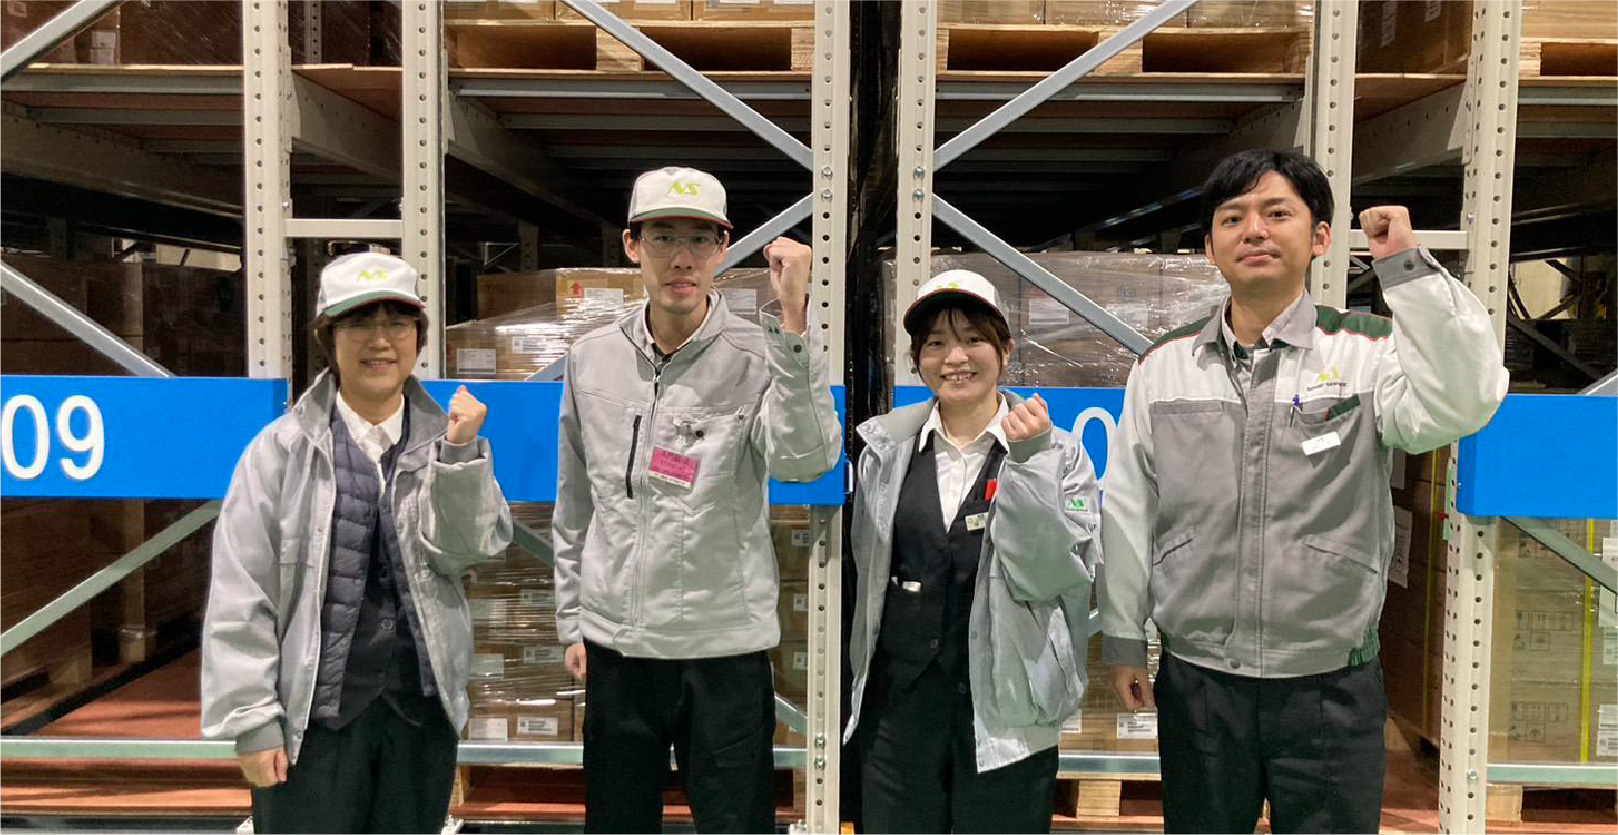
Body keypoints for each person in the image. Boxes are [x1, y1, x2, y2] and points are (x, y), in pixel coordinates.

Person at [1100, 149, 1509, 834]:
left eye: (1277, 213)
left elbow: (1465, 402)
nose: (1254, 230)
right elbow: (1129, 508)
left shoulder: (1367, 352)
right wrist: (1121, 636)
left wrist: (1406, 269)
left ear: (1320, 237)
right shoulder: (1165, 367)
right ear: (1210, 247)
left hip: (1329, 686)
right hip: (1200, 682)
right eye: (1233, 218)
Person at [552, 166, 842, 833]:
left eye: (700, 239)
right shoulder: (591, 358)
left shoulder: (761, 354)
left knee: (735, 823)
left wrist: (794, 323)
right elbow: (576, 502)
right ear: (632, 245)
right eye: (663, 237)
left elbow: (805, 461)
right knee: (617, 823)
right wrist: (573, 620)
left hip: (724, 650)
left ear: (723, 248)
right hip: (619, 648)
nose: (681, 258)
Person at [201, 252, 514, 833]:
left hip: (419, 717)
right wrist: (252, 721)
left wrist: (459, 458)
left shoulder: (446, 445)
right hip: (313, 725)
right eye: (359, 323)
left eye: (397, 322)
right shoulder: (279, 453)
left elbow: (468, 551)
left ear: (418, 336)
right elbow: (241, 593)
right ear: (329, 337)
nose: (380, 341)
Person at [845, 270, 1100, 833]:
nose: (955, 358)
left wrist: (1029, 464)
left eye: (973, 339)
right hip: (900, 712)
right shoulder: (885, 450)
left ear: (1005, 352)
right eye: (936, 343)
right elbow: (869, 568)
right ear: (918, 361)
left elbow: (1050, 575)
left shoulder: (1059, 454)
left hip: (1008, 709)